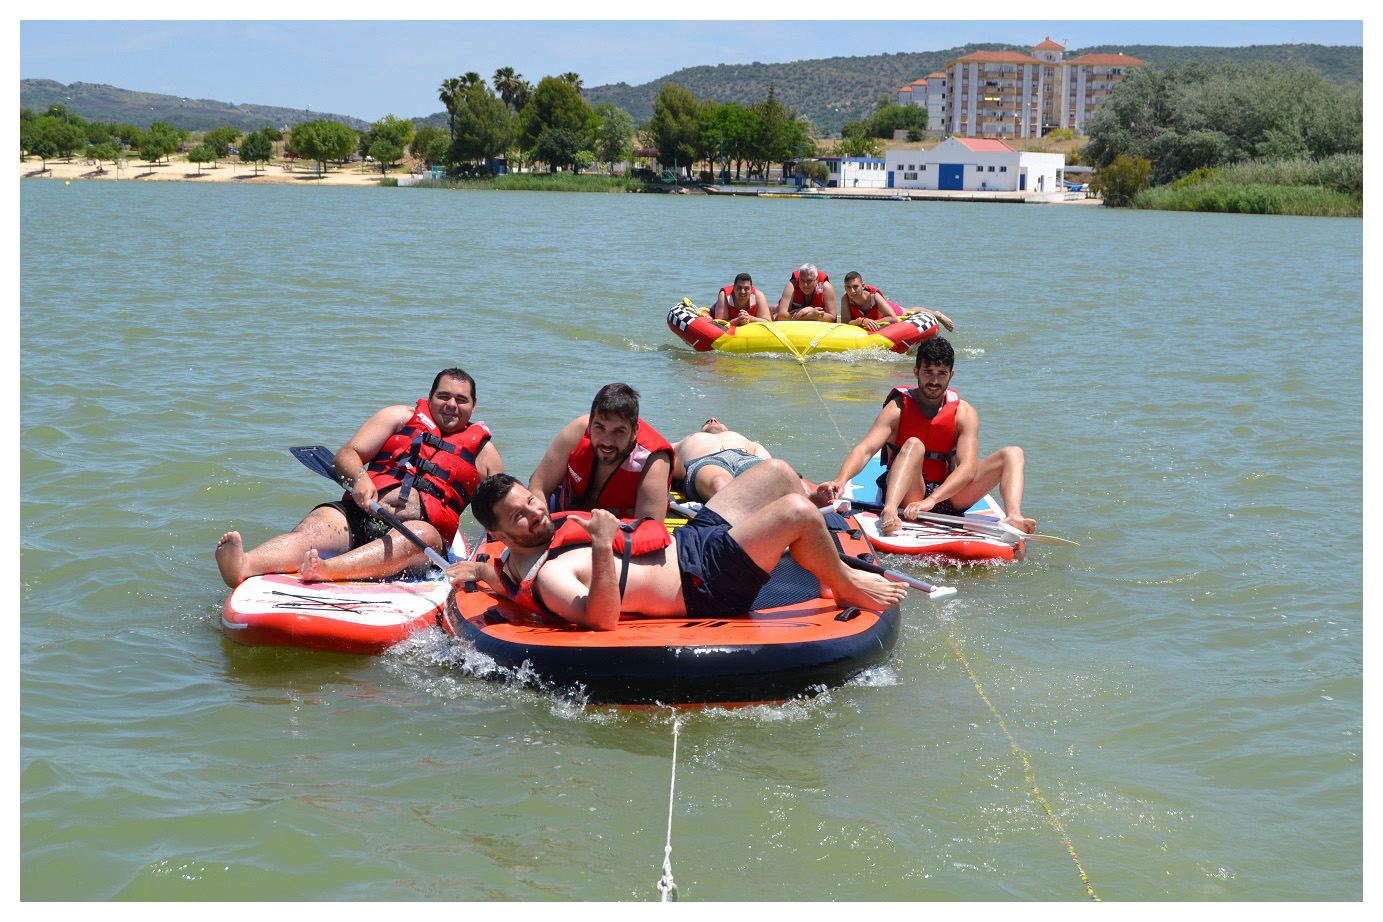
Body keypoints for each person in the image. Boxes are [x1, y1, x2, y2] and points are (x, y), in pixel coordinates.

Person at [447, 463, 906, 630]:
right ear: (502, 533)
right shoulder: (548, 575)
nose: (534, 512)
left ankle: (818, 566)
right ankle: (843, 583)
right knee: (797, 511)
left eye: (528, 500)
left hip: (690, 541)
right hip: (703, 582)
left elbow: (502, 578)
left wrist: (482, 574)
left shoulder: (511, 558)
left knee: (780, 474)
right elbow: (601, 618)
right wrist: (604, 546)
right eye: (518, 516)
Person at [215, 368, 503, 587]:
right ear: (430, 398)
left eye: (461, 399)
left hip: (419, 542)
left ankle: (328, 569)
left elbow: (502, 511)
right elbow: (348, 454)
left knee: (421, 533)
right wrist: (360, 478)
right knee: (313, 529)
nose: (451, 404)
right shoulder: (399, 416)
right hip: (363, 512)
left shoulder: (484, 454)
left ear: (473, 406)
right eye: (443, 396)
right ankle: (244, 565)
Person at [819, 337, 1035, 541]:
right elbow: (866, 449)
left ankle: (1013, 516)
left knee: (1013, 453)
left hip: (947, 496)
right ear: (916, 372)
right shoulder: (898, 408)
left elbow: (968, 468)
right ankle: (890, 512)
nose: (934, 380)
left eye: (941, 373)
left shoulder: (964, 413)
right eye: (928, 372)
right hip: (908, 494)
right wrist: (841, 480)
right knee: (914, 444)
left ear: (951, 374)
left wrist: (932, 500)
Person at [527, 382, 673, 522]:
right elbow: (538, 486)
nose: (607, 441)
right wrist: (544, 531)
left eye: (618, 431)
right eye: (600, 428)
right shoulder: (576, 432)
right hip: (568, 507)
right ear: (590, 424)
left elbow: (649, 533)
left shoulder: (653, 460)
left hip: (618, 533)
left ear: (634, 431)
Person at [672, 417, 834, 507]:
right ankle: (742, 514)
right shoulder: (686, 441)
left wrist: (794, 480)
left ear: (727, 428)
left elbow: (769, 462)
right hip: (707, 460)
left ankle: (806, 500)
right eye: (708, 421)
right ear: (701, 430)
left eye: (718, 420)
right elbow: (659, 455)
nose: (713, 419)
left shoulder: (746, 440)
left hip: (745, 457)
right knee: (719, 483)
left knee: (777, 471)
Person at [839, 271, 957, 334]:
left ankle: (937, 314)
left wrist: (873, 322)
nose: (852, 291)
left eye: (855, 286)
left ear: (863, 286)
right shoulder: (845, 297)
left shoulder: (874, 296)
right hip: (867, 318)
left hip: (886, 310)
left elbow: (893, 318)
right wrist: (862, 321)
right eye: (848, 287)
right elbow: (845, 322)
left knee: (910, 311)